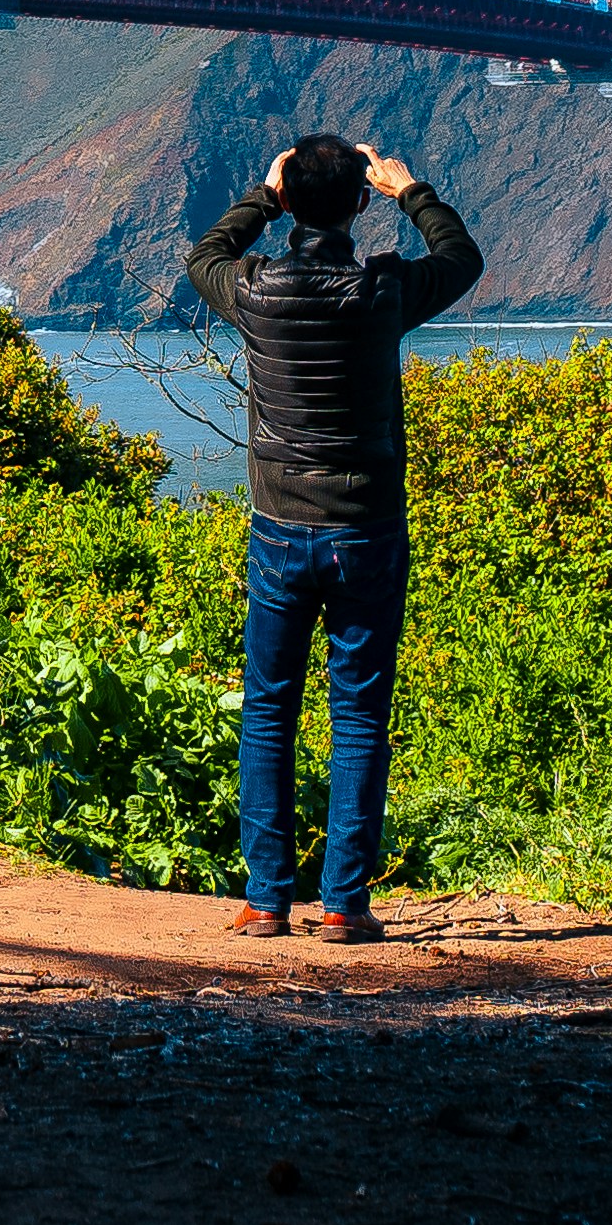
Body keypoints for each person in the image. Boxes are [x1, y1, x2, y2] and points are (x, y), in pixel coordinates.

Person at [185, 131, 484, 945]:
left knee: (268, 709)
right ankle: (343, 905)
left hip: (279, 529)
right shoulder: (381, 289)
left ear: (287, 202)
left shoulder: (249, 286)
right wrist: (408, 190)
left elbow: (203, 251)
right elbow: (460, 258)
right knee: (357, 713)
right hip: (368, 529)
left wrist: (261, 191)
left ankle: (262, 900)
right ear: (359, 203)